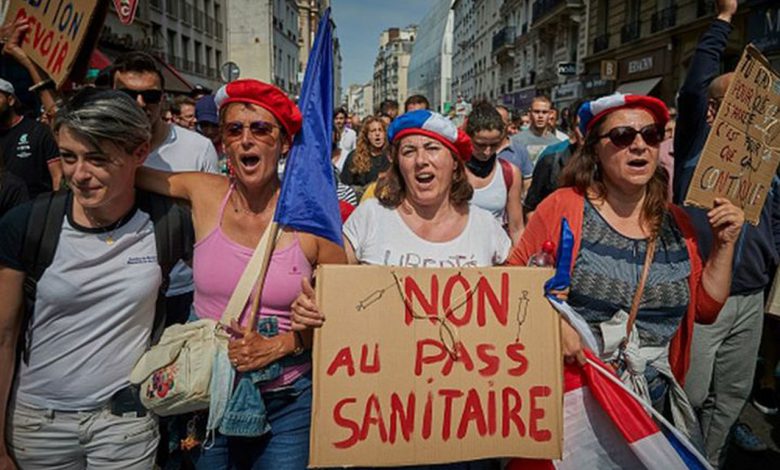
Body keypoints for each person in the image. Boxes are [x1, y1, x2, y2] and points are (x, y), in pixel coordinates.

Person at [135, 78, 346, 468]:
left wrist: (286, 342)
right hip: (207, 394)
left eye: (261, 129)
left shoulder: (314, 219)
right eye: (234, 130)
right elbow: (125, 171)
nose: (246, 139)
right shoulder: (203, 192)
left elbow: (348, 313)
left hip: (289, 400)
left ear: (283, 143)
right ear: (225, 144)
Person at [508, 93, 743, 440]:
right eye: (622, 136)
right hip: (576, 401)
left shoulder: (676, 222)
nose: (639, 146)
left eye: (650, 136)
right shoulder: (562, 207)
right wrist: (551, 325)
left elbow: (706, 308)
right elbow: (511, 287)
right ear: (595, 150)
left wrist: (725, 244)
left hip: (652, 406)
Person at [291, 110, 509, 470]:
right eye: (409, 151)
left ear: (455, 164)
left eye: (432, 149)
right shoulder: (371, 217)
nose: (421, 159)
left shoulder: (487, 228)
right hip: (381, 422)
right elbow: (331, 289)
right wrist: (310, 306)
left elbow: (516, 310)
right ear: (398, 164)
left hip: (463, 425)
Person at [0, 88, 189, 469]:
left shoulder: (169, 222)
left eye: (98, 159)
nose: (79, 175)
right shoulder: (28, 224)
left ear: (139, 153)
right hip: (38, 425)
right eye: (69, 157)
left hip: (125, 424)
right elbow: (3, 335)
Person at [672, 0, 780, 462]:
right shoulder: (697, 140)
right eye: (739, 106)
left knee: (732, 395)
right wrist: (722, 20)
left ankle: (708, 460)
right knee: (689, 394)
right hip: (701, 294)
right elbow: (696, 85)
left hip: (751, 295)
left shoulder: (768, 158)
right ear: (714, 113)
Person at [112, 51, 220, 329]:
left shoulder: (198, 148)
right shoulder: (101, 148)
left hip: (182, 289)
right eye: (127, 95)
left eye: (149, 96)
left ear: (162, 99)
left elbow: (212, 218)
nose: (139, 104)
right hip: (118, 288)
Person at [464, 103, 525, 244]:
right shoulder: (453, 171)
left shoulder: (509, 173)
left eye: (494, 145)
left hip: (495, 256)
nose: (487, 152)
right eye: (480, 145)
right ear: (468, 137)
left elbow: (516, 228)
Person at [524, 99, 586, 216]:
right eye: (579, 125)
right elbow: (532, 208)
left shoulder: (611, 162)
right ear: (572, 126)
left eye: (589, 125)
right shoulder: (552, 159)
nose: (585, 131)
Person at [0, 78, 60, 197]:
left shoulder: (38, 131)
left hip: (35, 209)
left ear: (10, 100)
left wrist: (55, 208)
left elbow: (57, 175)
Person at [340, 116, 390, 198]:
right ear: (367, 135)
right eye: (373, 131)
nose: (377, 134)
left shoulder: (392, 156)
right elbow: (345, 188)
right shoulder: (354, 157)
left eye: (380, 130)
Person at [511, 96, 562, 168]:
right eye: (536, 112)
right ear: (530, 114)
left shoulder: (557, 143)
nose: (540, 116)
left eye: (544, 112)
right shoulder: (515, 141)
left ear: (550, 114)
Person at [333, 107, 356, 172]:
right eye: (336, 118)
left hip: (347, 167)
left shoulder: (352, 134)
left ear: (345, 119)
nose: (338, 121)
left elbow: (354, 151)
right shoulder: (329, 135)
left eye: (341, 118)